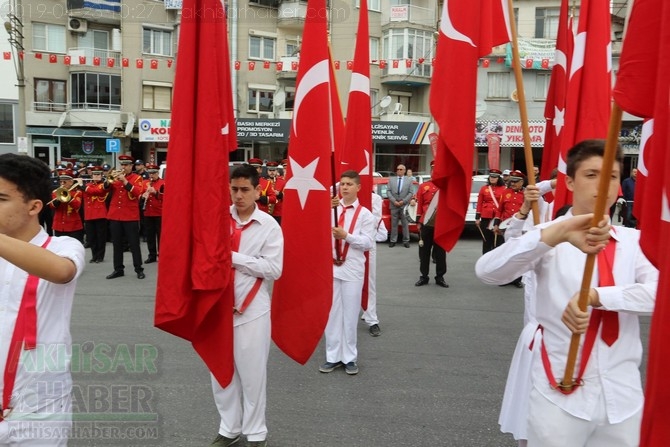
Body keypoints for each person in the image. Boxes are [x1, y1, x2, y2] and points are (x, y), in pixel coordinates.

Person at [475, 140, 657, 447]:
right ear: (569, 182)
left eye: (612, 176)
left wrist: (598, 296)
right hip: (559, 393)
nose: (604, 185)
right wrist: (554, 234)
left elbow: (660, 294)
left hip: (622, 398)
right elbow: (488, 272)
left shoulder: (635, 241)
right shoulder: (548, 238)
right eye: (591, 175)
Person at [0, 153, 85, 445]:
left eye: (1, 199)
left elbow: (61, 272)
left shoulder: (62, 246)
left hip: (40, 405)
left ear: (34, 206)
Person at [210, 164, 283, 447]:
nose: (238, 196)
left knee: (252, 375)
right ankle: (229, 428)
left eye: (244, 190)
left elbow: (274, 269)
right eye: (234, 189)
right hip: (217, 309)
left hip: (252, 310)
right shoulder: (217, 219)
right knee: (221, 374)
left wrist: (234, 258)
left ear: (257, 190)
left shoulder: (269, 226)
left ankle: (255, 433)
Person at [320, 170, 375, 375]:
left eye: (349, 184)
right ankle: (332, 356)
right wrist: (326, 211)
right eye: (342, 184)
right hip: (332, 268)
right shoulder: (331, 210)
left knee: (350, 315)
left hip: (352, 270)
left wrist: (347, 236)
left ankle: (350, 357)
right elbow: (319, 235)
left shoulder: (365, 214)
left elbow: (368, 243)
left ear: (358, 187)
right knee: (332, 315)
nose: (344, 187)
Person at [105, 155, 145, 280]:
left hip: (130, 216)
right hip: (115, 215)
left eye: (126, 165)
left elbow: (138, 192)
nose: (123, 167)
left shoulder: (137, 178)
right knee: (117, 244)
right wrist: (107, 181)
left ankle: (138, 269)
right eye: (122, 165)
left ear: (131, 166)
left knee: (134, 244)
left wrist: (125, 181)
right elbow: (105, 190)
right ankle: (118, 269)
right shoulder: (115, 177)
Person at [414, 161, 448, 288]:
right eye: (433, 170)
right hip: (426, 223)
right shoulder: (424, 186)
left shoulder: (445, 187)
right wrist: (418, 221)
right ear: (431, 171)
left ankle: (440, 277)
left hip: (440, 223)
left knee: (440, 253)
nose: (435, 172)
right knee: (424, 252)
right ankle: (424, 276)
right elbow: (420, 204)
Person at [361, 190, 388, 337]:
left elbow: (381, 232)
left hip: (367, 248)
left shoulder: (374, 199)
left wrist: (369, 238)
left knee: (369, 284)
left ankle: (371, 318)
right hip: (347, 249)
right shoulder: (341, 200)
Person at [49, 169, 85, 243]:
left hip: (73, 226)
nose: (62, 183)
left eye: (64, 181)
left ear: (71, 182)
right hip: (59, 226)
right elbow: (52, 206)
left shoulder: (77, 192)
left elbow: (77, 206)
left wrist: (68, 196)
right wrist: (58, 199)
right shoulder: (55, 192)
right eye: (61, 181)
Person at [475, 169, 506, 254]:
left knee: (498, 240)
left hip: (498, 216)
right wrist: (477, 218)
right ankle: (485, 258)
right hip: (486, 216)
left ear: (498, 178)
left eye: (495, 177)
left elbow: (505, 204)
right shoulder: (484, 188)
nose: (492, 178)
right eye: (491, 177)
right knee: (486, 239)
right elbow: (479, 203)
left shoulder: (504, 189)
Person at [83, 166, 109, 263]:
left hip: (100, 213)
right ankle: (94, 255)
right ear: (91, 175)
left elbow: (98, 191)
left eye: (98, 174)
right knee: (91, 237)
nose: (97, 176)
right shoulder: (88, 184)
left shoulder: (103, 184)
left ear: (102, 175)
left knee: (100, 237)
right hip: (89, 214)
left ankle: (100, 256)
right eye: (95, 174)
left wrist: (84, 188)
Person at [141, 164, 165, 264]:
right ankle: (152, 255)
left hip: (159, 213)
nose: (151, 175)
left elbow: (165, 198)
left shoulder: (163, 183)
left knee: (160, 236)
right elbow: (140, 195)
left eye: (153, 173)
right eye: (150, 173)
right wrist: (143, 196)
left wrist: (155, 192)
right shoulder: (145, 183)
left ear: (157, 173)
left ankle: (161, 255)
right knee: (150, 236)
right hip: (148, 213)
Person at [386, 164, 413, 248]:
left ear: (404, 171)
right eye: (397, 169)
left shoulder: (409, 180)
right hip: (394, 205)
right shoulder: (391, 180)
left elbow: (411, 193)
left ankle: (406, 240)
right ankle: (393, 240)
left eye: (401, 169)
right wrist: (394, 201)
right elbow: (388, 191)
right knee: (394, 224)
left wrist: (403, 201)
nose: (399, 170)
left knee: (405, 223)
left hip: (404, 205)